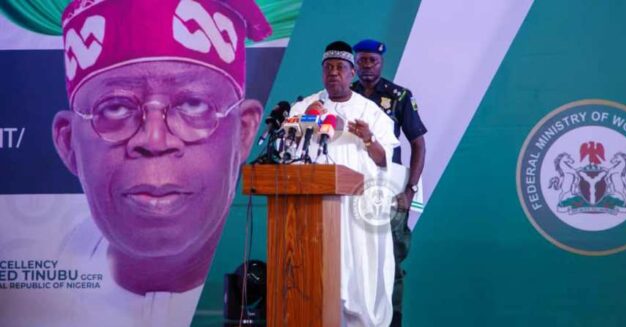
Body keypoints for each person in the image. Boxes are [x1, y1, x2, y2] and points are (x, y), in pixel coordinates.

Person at [0, 0, 269, 326]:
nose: (154, 139)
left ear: (243, 132)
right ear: (69, 144)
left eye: (195, 104)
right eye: (114, 108)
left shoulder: (278, 285)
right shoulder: (25, 305)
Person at [289, 41, 400, 327]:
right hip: (315, 210)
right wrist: (305, 120)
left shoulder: (371, 111)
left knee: (359, 278)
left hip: (356, 211)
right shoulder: (305, 106)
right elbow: (285, 150)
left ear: (352, 73)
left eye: (340, 68)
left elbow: (384, 160)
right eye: (328, 68)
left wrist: (368, 138)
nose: (334, 73)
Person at [351, 39, 428, 327]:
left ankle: (393, 320)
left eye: (371, 61)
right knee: (356, 258)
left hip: (390, 189)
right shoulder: (348, 95)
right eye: (360, 61)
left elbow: (418, 145)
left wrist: (410, 189)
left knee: (392, 259)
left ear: (381, 62)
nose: (365, 66)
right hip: (354, 189)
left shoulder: (399, 96)